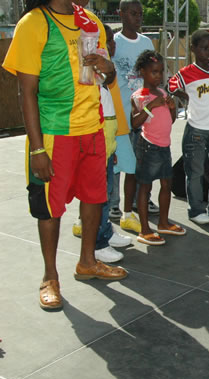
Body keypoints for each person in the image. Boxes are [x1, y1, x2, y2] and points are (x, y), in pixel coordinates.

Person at [3, 0, 128, 310]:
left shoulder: (92, 22)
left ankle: (88, 261)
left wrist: (109, 72)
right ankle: (50, 277)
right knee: (49, 207)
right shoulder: (33, 23)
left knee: (94, 197)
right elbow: (26, 92)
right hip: (54, 133)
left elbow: (106, 76)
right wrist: (37, 149)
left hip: (93, 128)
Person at [72, 24, 134, 262]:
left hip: (107, 134)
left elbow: (109, 93)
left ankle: (104, 231)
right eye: (101, 40)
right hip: (93, 131)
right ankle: (96, 243)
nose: (108, 46)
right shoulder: (87, 64)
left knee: (106, 189)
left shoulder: (105, 65)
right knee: (96, 193)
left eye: (107, 41)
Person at [168, 31, 209, 225]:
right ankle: (196, 210)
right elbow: (170, 86)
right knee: (195, 172)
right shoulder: (186, 72)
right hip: (196, 130)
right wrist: (184, 95)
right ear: (193, 49)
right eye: (204, 48)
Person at [130, 50, 186, 245]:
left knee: (166, 185)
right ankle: (145, 229)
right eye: (154, 72)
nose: (158, 76)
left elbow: (170, 122)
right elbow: (135, 123)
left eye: (161, 72)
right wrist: (150, 106)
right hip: (148, 148)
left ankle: (163, 223)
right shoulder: (139, 96)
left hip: (164, 147)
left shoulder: (162, 93)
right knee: (145, 188)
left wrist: (171, 108)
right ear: (142, 72)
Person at [111, 0, 158, 231]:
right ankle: (114, 203)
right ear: (121, 14)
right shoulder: (113, 42)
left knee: (142, 160)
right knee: (118, 160)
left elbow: (154, 74)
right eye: (133, 13)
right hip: (120, 113)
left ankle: (142, 198)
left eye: (140, 14)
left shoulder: (147, 42)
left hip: (142, 114)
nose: (138, 17)